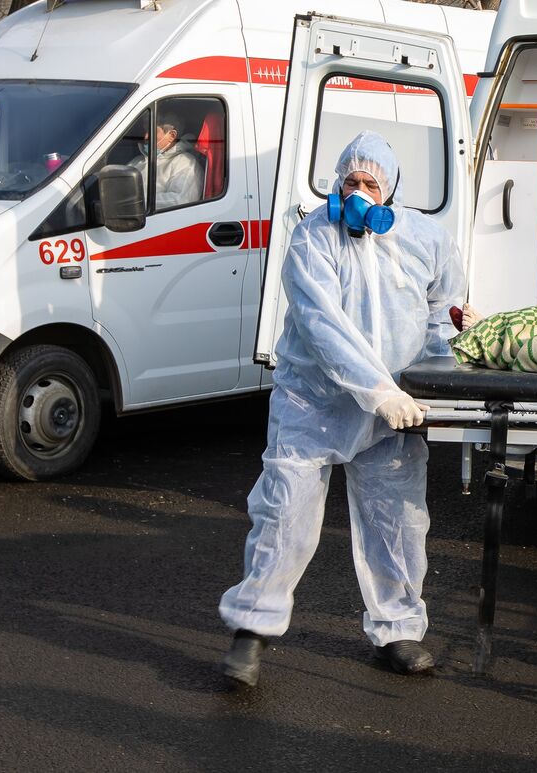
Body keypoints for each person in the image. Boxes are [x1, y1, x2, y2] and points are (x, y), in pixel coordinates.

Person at [218, 131, 464, 685]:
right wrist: (379, 391)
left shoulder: (427, 239)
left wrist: (446, 365)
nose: (358, 193)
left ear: (391, 190)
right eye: (350, 182)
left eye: (370, 183)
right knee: (285, 516)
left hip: (394, 408)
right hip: (314, 402)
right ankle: (251, 630)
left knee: (398, 521)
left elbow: (437, 316)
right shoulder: (313, 237)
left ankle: (398, 629)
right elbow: (323, 325)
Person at [131, 116, 203, 209]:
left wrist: (133, 203)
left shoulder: (185, 163)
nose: (146, 136)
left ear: (171, 136)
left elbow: (180, 200)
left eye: (152, 131)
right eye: (145, 130)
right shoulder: (138, 160)